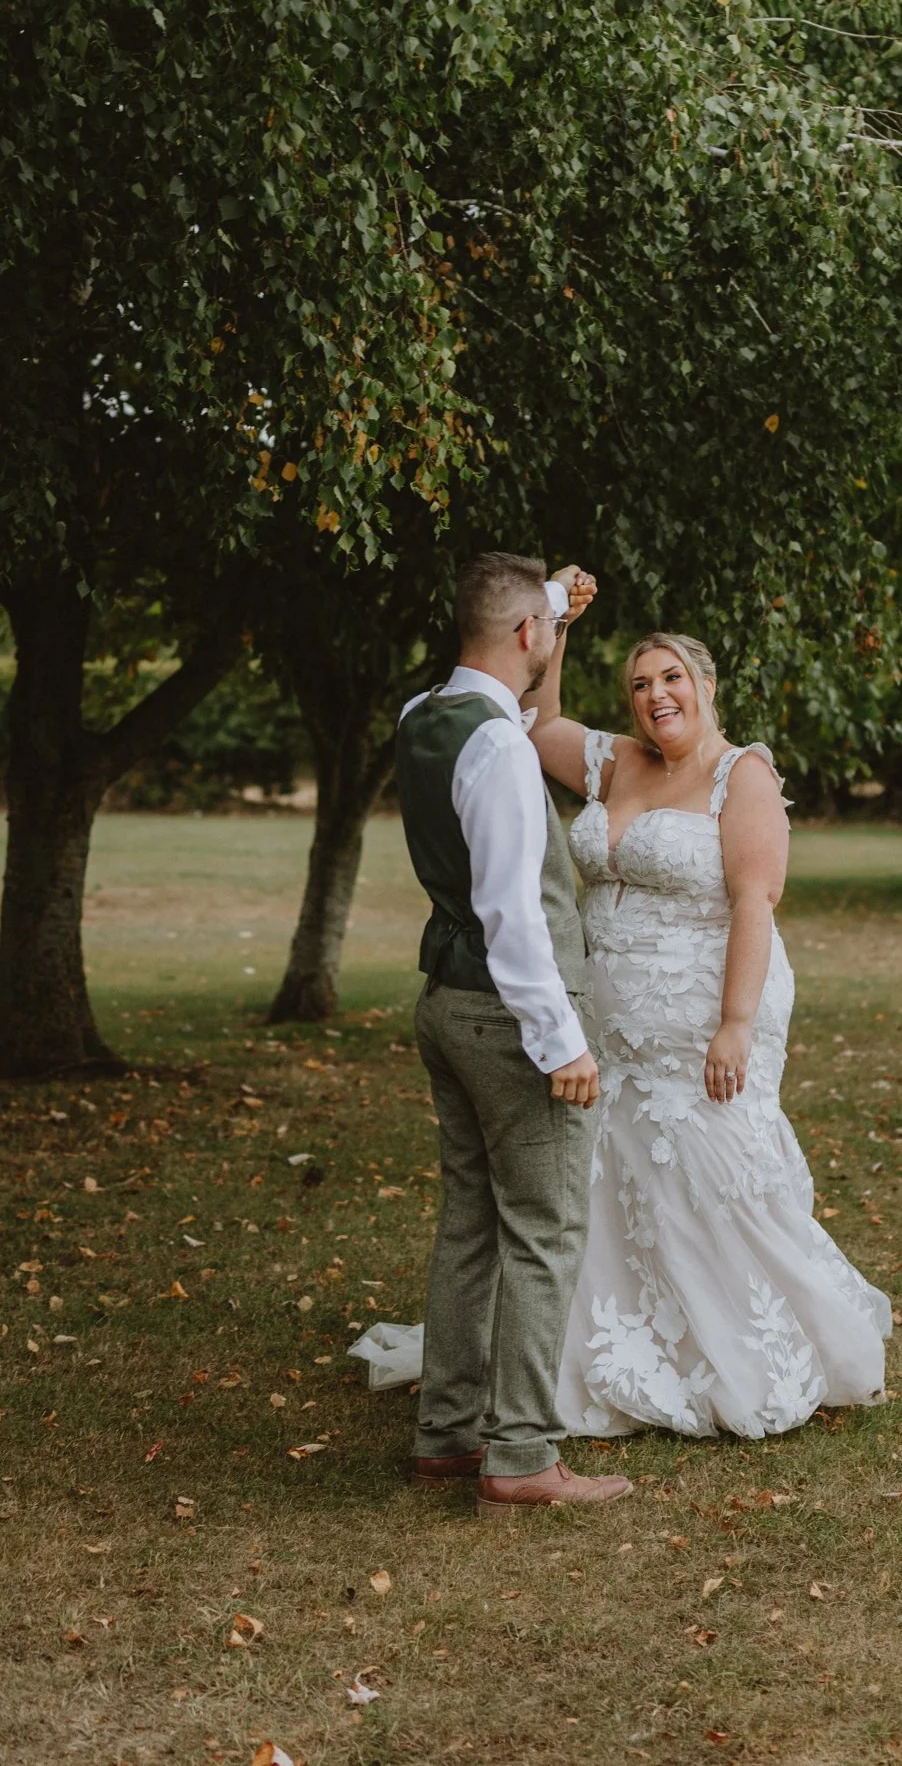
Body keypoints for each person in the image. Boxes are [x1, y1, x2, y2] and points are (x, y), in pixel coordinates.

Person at [528, 618, 892, 1438]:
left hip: (706, 1018)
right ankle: (623, 1340)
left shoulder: (742, 776)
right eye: (640, 684)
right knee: (620, 1176)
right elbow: (540, 724)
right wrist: (554, 628)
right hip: (614, 1026)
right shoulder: (617, 761)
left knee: (713, 1175)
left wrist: (733, 1024)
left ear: (705, 683)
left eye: (670, 678)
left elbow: (754, 901)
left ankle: (747, 1351)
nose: (655, 695)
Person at [396, 552, 631, 1516]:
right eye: (544, 629)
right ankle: (523, 1455)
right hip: (507, 1014)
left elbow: (524, 723)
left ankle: (447, 1435)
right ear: (524, 635)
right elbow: (513, 914)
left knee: (469, 1220)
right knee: (543, 1227)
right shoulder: (495, 749)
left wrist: (558, 613)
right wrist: (561, 1041)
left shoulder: (425, 717)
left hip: (444, 1005)